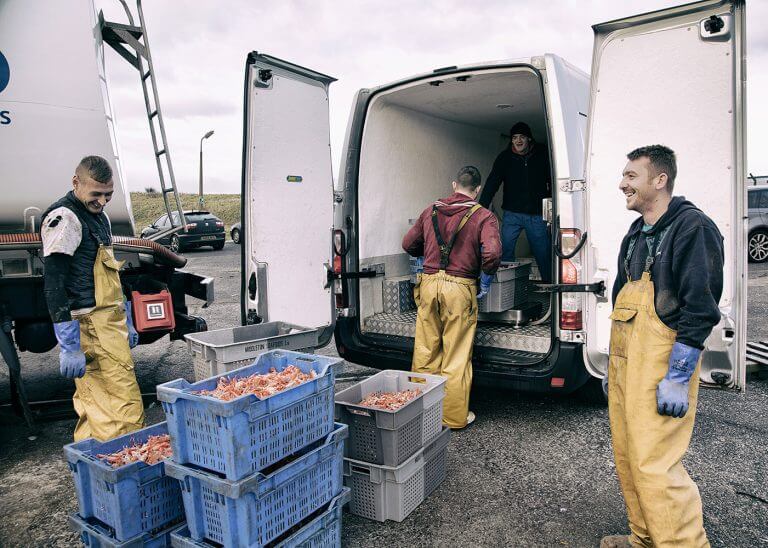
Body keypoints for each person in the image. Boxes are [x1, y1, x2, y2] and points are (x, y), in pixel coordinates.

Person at [601, 145, 723, 548]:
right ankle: (644, 538)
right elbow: (624, 300)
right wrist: (613, 367)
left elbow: (701, 307)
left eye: (631, 176)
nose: (622, 183)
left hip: (662, 364)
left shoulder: (692, 228)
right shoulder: (637, 234)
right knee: (628, 456)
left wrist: (678, 373)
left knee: (655, 464)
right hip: (628, 365)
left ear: (660, 180)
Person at [41, 156, 144, 442]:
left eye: (108, 195)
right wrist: (69, 343)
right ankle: (127, 465)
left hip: (108, 321)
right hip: (90, 325)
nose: (101, 201)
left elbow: (109, 269)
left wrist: (127, 318)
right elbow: (53, 284)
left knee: (95, 403)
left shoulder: (100, 217)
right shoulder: (65, 219)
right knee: (123, 405)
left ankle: (95, 468)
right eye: (95, 194)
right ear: (76, 182)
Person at [403, 166, 502, 429]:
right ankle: (453, 418)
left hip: (429, 283)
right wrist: (485, 277)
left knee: (425, 350)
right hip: (460, 287)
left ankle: (421, 417)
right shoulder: (484, 216)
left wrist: (427, 256)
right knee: (456, 355)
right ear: (478, 190)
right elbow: (492, 254)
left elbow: (408, 244)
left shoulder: (431, 210)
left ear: (454, 184)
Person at [478, 121, 552, 282]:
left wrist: (554, 204)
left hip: (537, 215)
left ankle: (550, 288)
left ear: (529, 139)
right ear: (511, 140)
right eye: (515, 138)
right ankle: (508, 286)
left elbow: (552, 180)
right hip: (512, 214)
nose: (518, 141)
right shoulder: (504, 158)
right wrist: (481, 207)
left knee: (543, 253)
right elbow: (492, 182)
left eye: (522, 137)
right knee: (505, 252)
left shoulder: (543, 154)